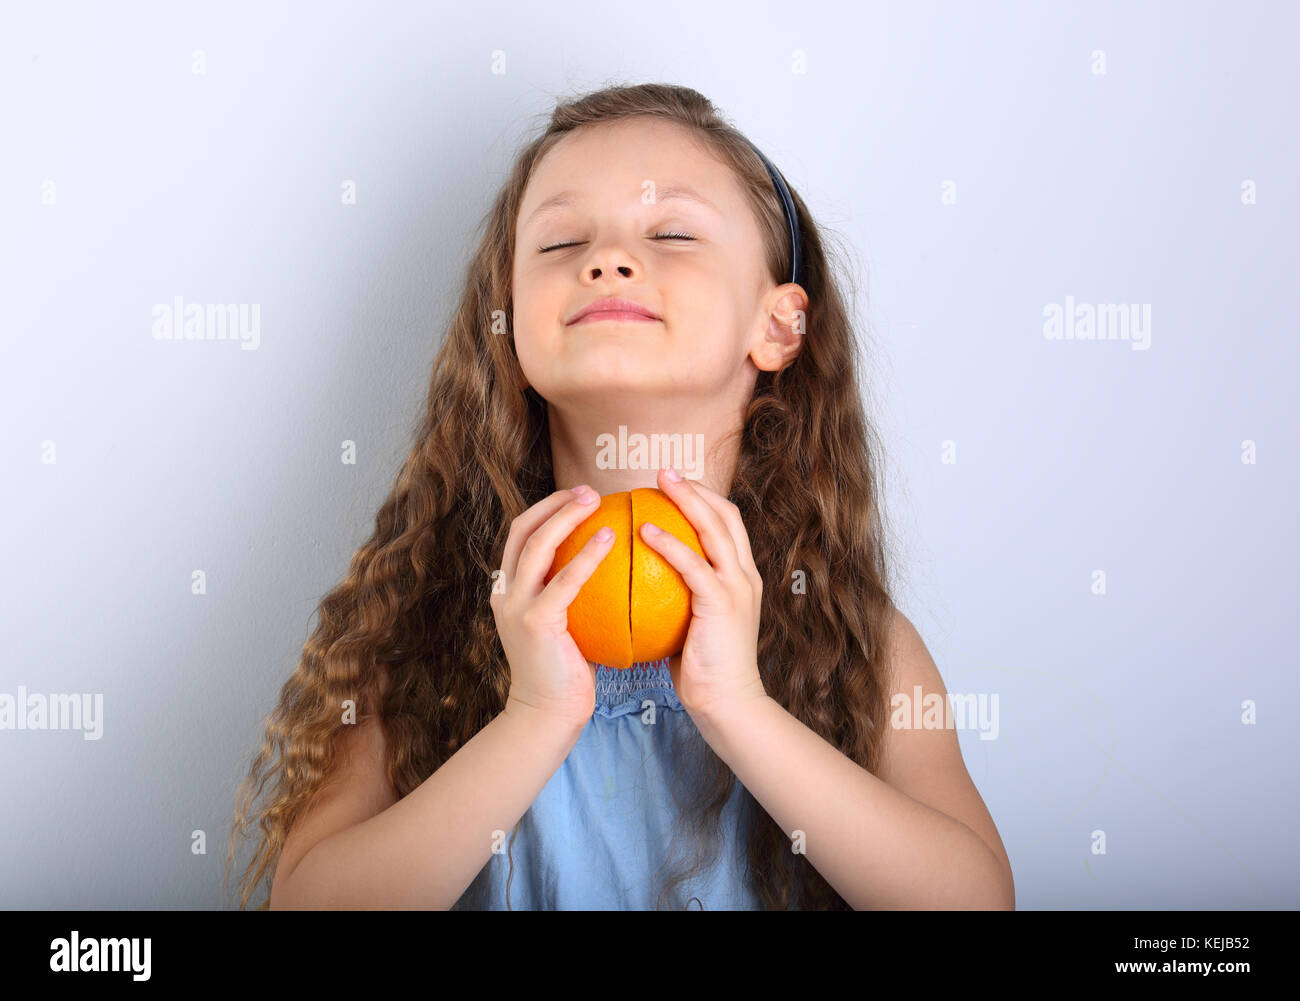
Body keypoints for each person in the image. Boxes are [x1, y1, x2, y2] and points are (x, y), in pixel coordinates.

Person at [225, 82, 1014, 910]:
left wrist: (738, 706)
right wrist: (533, 715)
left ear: (778, 325)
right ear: (510, 321)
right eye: (561, 241)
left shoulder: (856, 641)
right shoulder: (422, 630)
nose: (605, 260)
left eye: (671, 232)